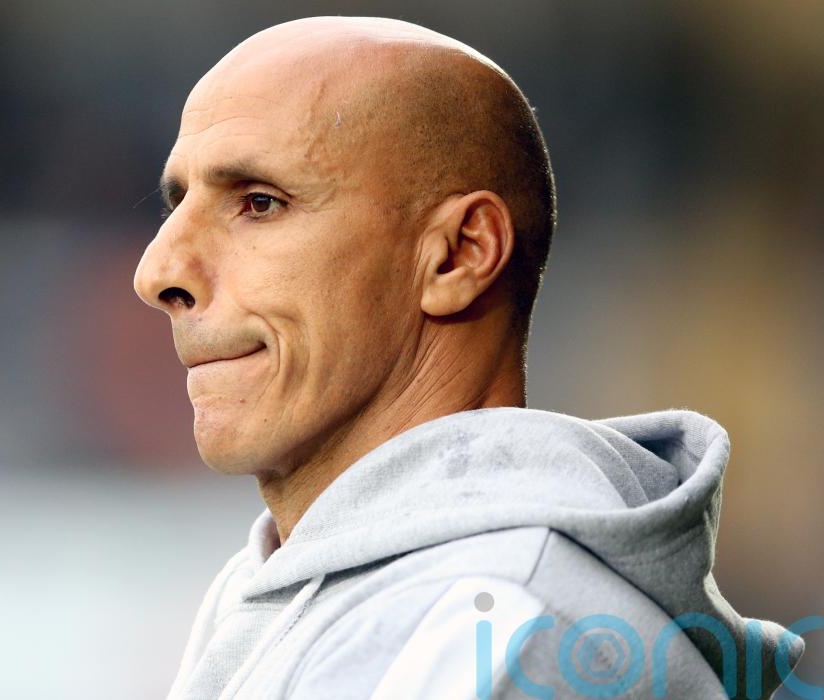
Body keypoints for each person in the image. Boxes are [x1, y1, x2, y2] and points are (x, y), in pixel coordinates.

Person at [133, 16, 804, 699]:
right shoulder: (276, 590)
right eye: (177, 203)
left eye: (259, 203)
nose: (156, 272)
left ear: (459, 255)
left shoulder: (504, 627)